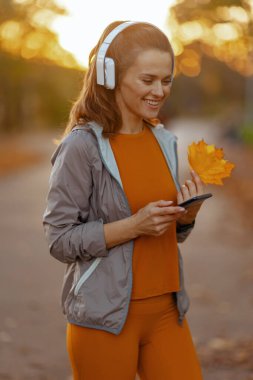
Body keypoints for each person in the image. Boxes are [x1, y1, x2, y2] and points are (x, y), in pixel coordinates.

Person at [43, 20, 205, 380]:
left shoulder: (164, 141)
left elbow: (165, 234)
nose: (159, 91)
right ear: (109, 74)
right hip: (105, 318)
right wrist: (134, 225)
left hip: (167, 312)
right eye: (147, 80)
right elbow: (59, 240)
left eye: (166, 81)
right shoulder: (81, 147)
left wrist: (184, 217)